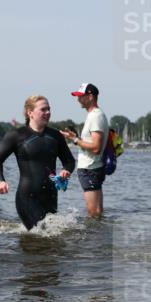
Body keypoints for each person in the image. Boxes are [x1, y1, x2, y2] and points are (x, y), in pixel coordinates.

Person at [0, 95, 75, 230]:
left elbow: (69, 160)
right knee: (42, 233)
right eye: (43, 109)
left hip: (51, 195)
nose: (48, 112)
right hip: (27, 196)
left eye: (49, 109)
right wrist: (1, 181)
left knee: (52, 240)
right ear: (30, 112)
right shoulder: (17, 135)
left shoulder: (55, 136)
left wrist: (67, 170)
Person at [59, 83, 107, 218]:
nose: (78, 99)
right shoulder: (95, 115)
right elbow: (92, 143)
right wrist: (75, 137)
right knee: (97, 212)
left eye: (81, 96)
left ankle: (94, 238)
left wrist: (75, 141)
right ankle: (98, 237)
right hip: (92, 168)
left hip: (90, 168)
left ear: (90, 96)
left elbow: (96, 147)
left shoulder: (95, 116)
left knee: (94, 212)